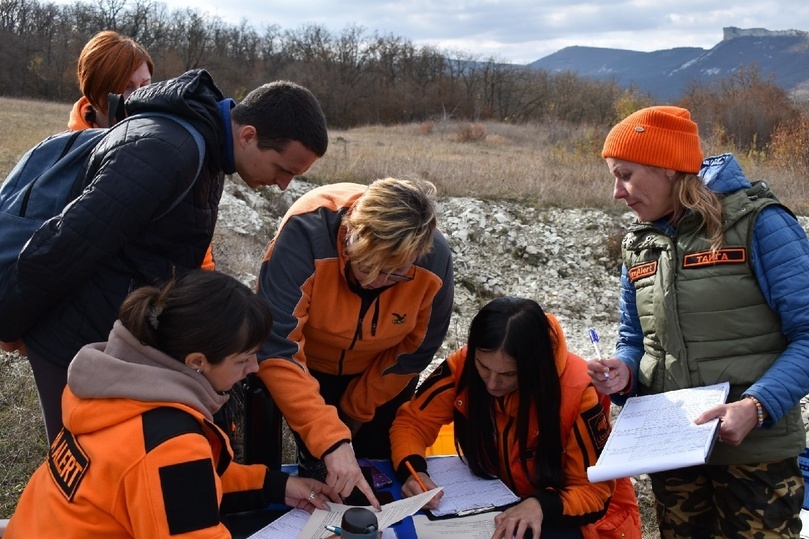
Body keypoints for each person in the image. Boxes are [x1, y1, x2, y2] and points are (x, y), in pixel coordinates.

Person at [0, 68, 329, 444]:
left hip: (107, 330)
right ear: (249, 135)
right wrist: (9, 323)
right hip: (72, 341)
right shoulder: (168, 153)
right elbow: (65, 245)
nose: (285, 184)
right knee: (82, 461)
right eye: (283, 169)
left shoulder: (206, 152)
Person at [588, 105, 809, 538]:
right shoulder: (639, 243)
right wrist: (624, 371)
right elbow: (635, 338)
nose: (617, 191)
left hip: (754, 452)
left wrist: (756, 406)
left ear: (669, 170)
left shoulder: (758, 224)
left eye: (626, 174)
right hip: (673, 452)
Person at [4, 270, 336, 538]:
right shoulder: (168, 441)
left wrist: (278, 486)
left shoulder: (109, 389)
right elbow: (176, 480)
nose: (254, 369)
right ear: (197, 361)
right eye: (243, 360)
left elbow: (182, 487)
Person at [256, 177, 454, 507]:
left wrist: (355, 409)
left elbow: (416, 351)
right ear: (351, 232)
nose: (376, 282)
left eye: (394, 274)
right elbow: (277, 344)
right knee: (324, 471)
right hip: (306, 368)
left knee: (375, 468)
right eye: (368, 266)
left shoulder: (433, 260)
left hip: (382, 375)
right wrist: (331, 439)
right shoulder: (306, 231)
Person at [390, 297, 642, 539]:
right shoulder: (464, 365)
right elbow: (413, 422)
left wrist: (539, 506)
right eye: (484, 367)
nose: (491, 382)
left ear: (536, 366)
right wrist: (414, 472)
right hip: (504, 503)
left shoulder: (578, 392)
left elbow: (594, 492)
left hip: (585, 522)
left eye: (509, 374)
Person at [68, 30, 154, 130]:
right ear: (94, 89)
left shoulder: (164, 139)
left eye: (144, 86)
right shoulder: (68, 144)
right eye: (126, 87)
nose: (139, 97)